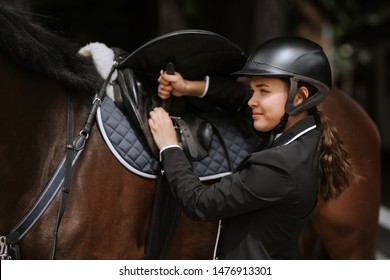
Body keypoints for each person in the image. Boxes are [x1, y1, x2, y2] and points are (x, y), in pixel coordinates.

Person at [148, 36, 357, 259]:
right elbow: (240, 97)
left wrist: (169, 145)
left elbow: (200, 203)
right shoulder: (308, 133)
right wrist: (189, 87)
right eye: (254, 90)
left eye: (263, 91)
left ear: (299, 96)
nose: (252, 101)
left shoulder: (278, 167)